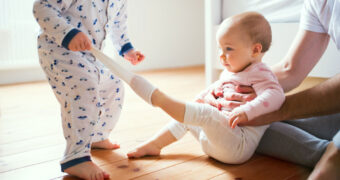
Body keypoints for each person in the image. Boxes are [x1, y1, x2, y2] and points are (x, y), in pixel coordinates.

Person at [91, 12, 285, 164]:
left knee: (204, 113)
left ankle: (160, 99)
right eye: (220, 48)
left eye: (229, 49)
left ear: (255, 50)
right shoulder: (232, 71)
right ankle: (155, 144)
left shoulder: (261, 72)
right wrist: (202, 98)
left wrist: (246, 111)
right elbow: (216, 89)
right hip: (216, 139)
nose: (221, 55)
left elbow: (275, 95)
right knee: (190, 115)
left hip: (238, 144)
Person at [223, 0, 339, 179]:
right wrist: (237, 85)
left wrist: (275, 109)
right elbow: (289, 69)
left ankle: (328, 152)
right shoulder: (318, 3)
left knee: (327, 169)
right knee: (239, 123)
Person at [33, 0, 145, 179]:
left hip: (90, 54)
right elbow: (42, 7)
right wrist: (68, 33)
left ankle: (98, 135)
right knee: (84, 90)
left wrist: (127, 49)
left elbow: (118, 25)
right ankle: (75, 157)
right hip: (58, 49)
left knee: (114, 84)